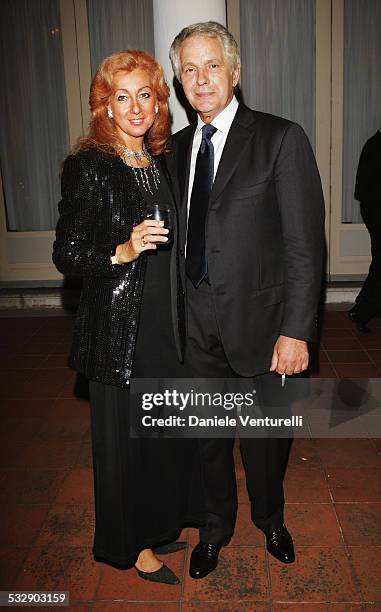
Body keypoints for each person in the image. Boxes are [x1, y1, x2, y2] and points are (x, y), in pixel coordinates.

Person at [168, 21, 325, 579]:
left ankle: (271, 520)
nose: (201, 78)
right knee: (208, 438)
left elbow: (306, 245)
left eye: (212, 65)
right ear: (179, 81)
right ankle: (216, 528)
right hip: (194, 323)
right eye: (189, 69)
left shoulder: (281, 138)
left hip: (263, 324)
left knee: (265, 441)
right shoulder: (177, 147)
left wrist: (298, 330)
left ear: (235, 72)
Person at [53, 50, 204, 585]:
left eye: (145, 94)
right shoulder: (90, 165)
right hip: (121, 328)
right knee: (126, 446)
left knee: (161, 433)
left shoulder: (159, 161)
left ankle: (159, 524)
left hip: (165, 322)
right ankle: (131, 544)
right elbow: (67, 253)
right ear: (105, 107)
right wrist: (121, 249)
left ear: (159, 102)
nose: (136, 106)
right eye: (122, 96)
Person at [348, 129, 381, 333]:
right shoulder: (376, 147)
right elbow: (364, 190)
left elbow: (360, 191)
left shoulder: (373, 144)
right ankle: (362, 310)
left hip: (373, 211)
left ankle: (365, 306)